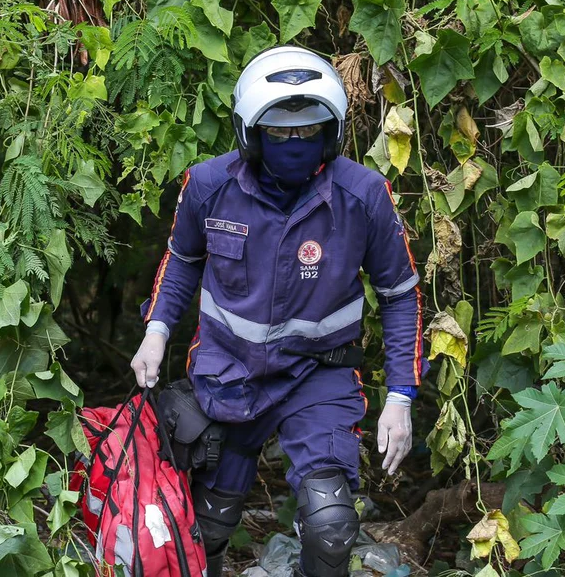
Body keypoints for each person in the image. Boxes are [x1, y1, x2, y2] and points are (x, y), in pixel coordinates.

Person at [130, 46, 427, 577]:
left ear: (331, 131)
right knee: (206, 523)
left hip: (318, 374)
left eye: (308, 130)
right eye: (280, 131)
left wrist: (401, 396)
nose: (295, 142)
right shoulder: (207, 187)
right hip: (229, 371)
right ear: (251, 131)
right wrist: (157, 331)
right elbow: (181, 261)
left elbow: (400, 294)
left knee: (331, 521)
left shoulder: (364, 196)